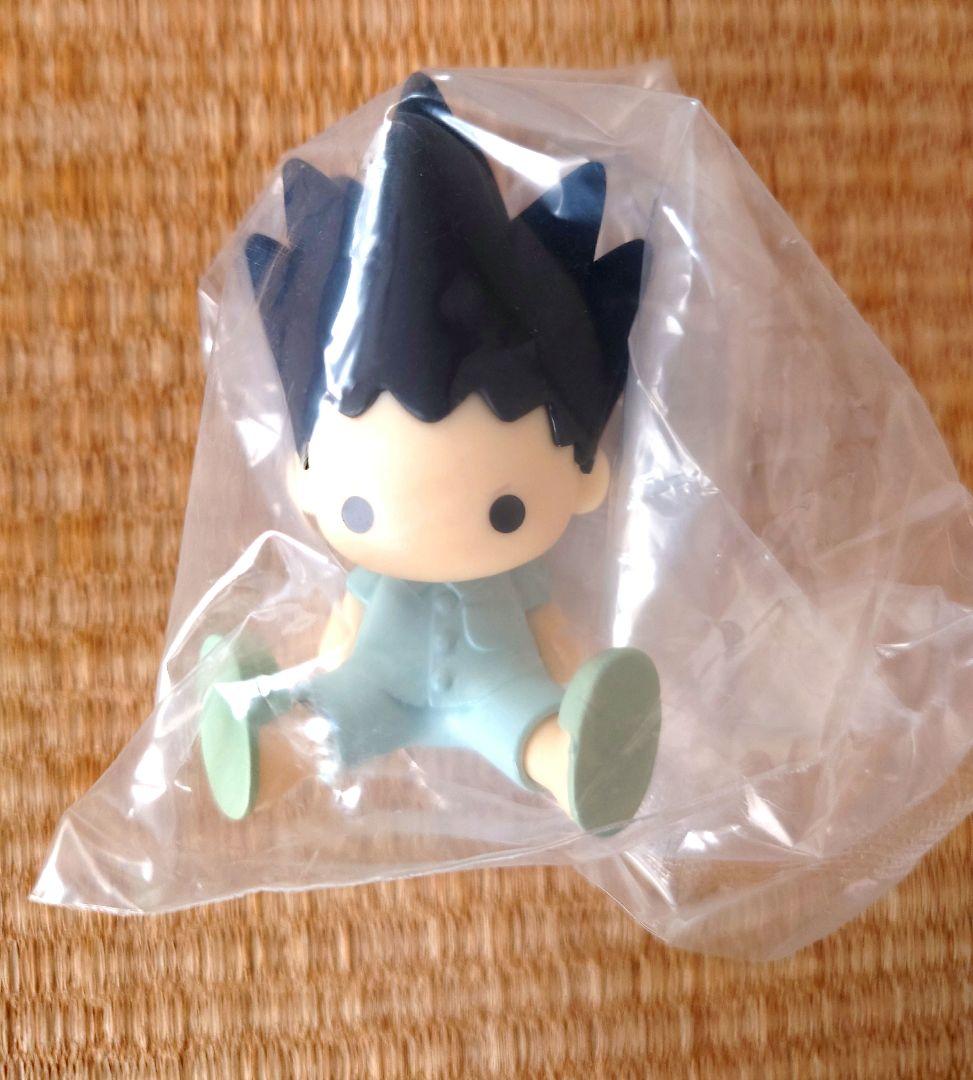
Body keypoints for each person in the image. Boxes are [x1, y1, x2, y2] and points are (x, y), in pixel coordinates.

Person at [200, 73, 661, 831]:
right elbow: (342, 637)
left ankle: (578, 761)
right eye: (356, 509)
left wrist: (579, 679)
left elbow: (551, 633)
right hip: (377, 682)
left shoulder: (522, 580)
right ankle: (265, 747)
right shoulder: (375, 579)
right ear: (303, 481)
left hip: (496, 686)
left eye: (505, 510)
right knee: (331, 714)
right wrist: (329, 658)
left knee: (532, 728)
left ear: (587, 478)